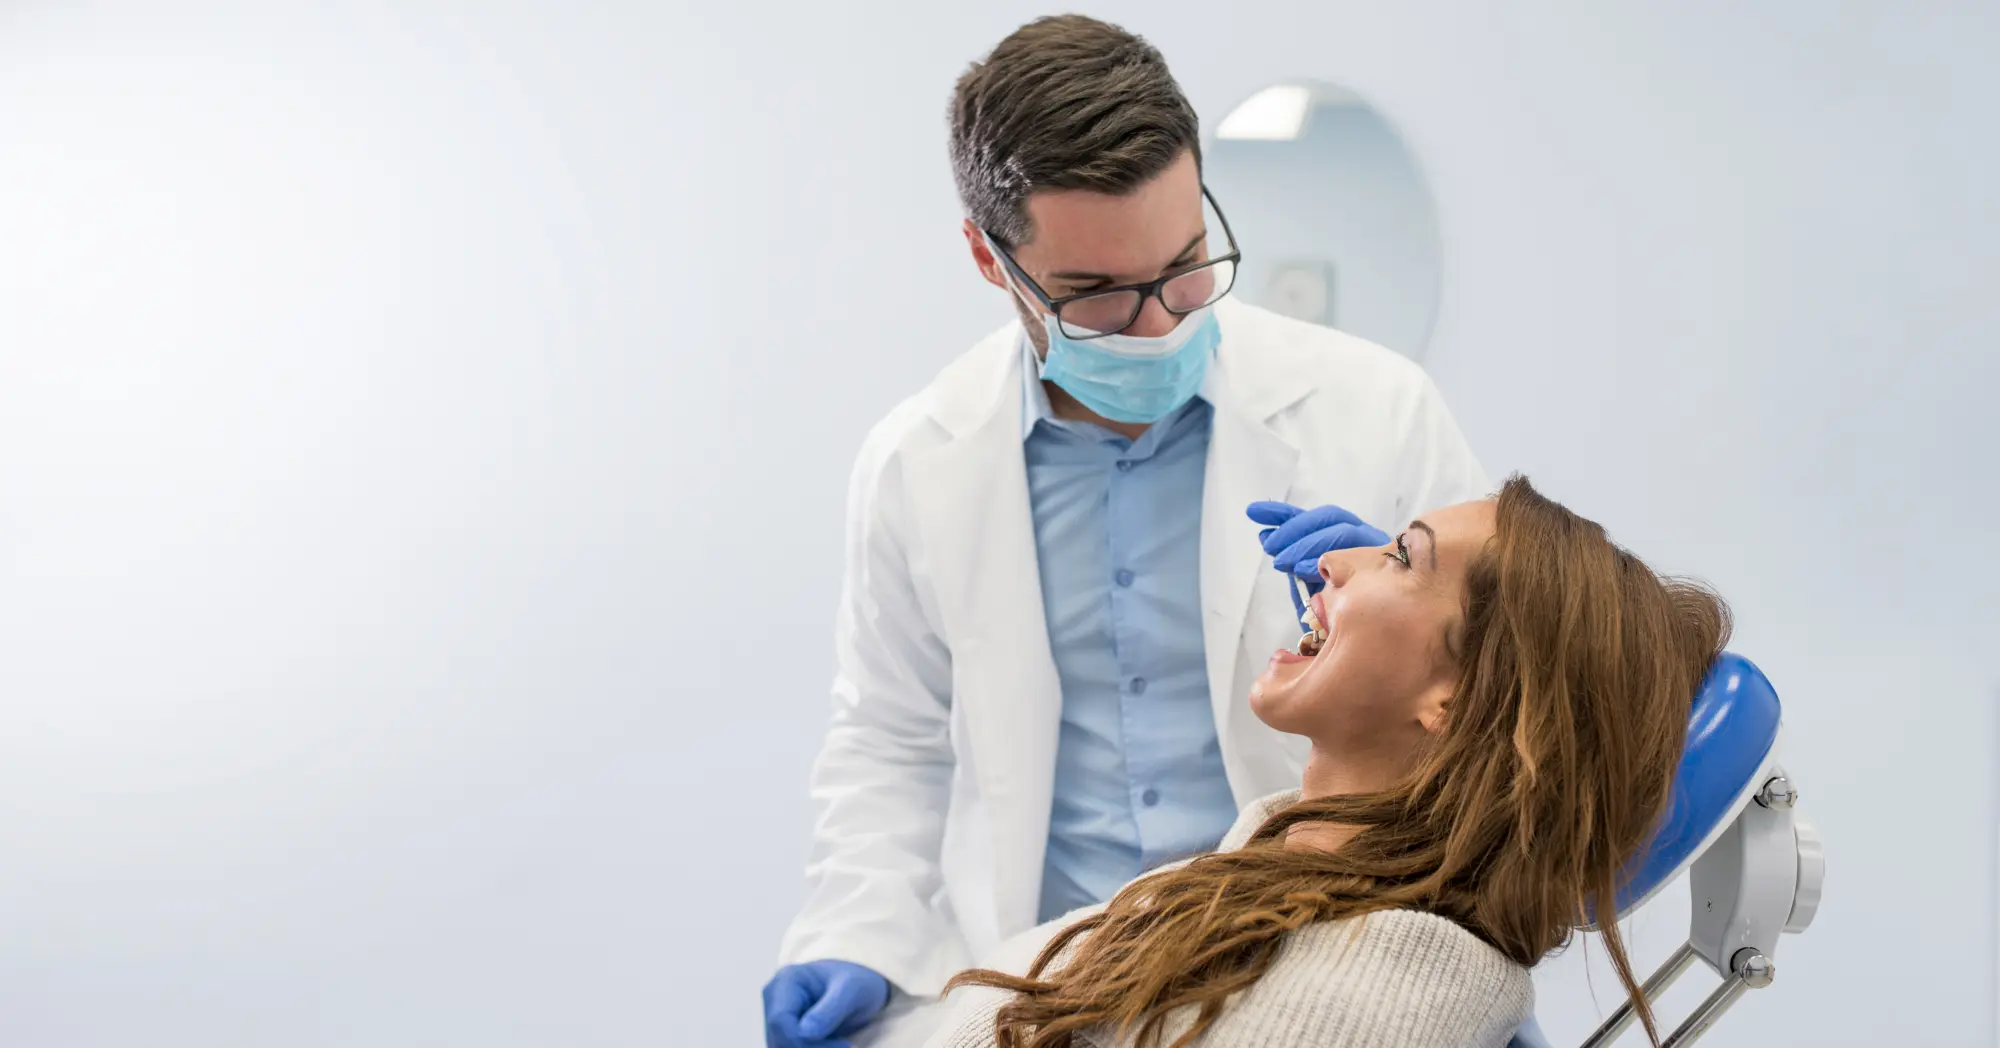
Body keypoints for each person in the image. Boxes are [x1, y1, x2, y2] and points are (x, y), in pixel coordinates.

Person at [764, 15, 1488, 1048]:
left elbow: (1503, 708)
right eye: (1096, 297)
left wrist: (1426, 615)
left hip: (1318, 962)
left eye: (1186, 265)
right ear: (989, 259)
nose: (1160, 325)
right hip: (1052, 983)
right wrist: (856, 932)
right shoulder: (916, 465)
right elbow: (891, 735)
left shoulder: (1379, 409)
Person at [923, 477, 1731, 1048]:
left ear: (1455, 698)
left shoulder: (1359, 995)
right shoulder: (1266, 879)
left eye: (1399, 557)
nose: (1332, 563)